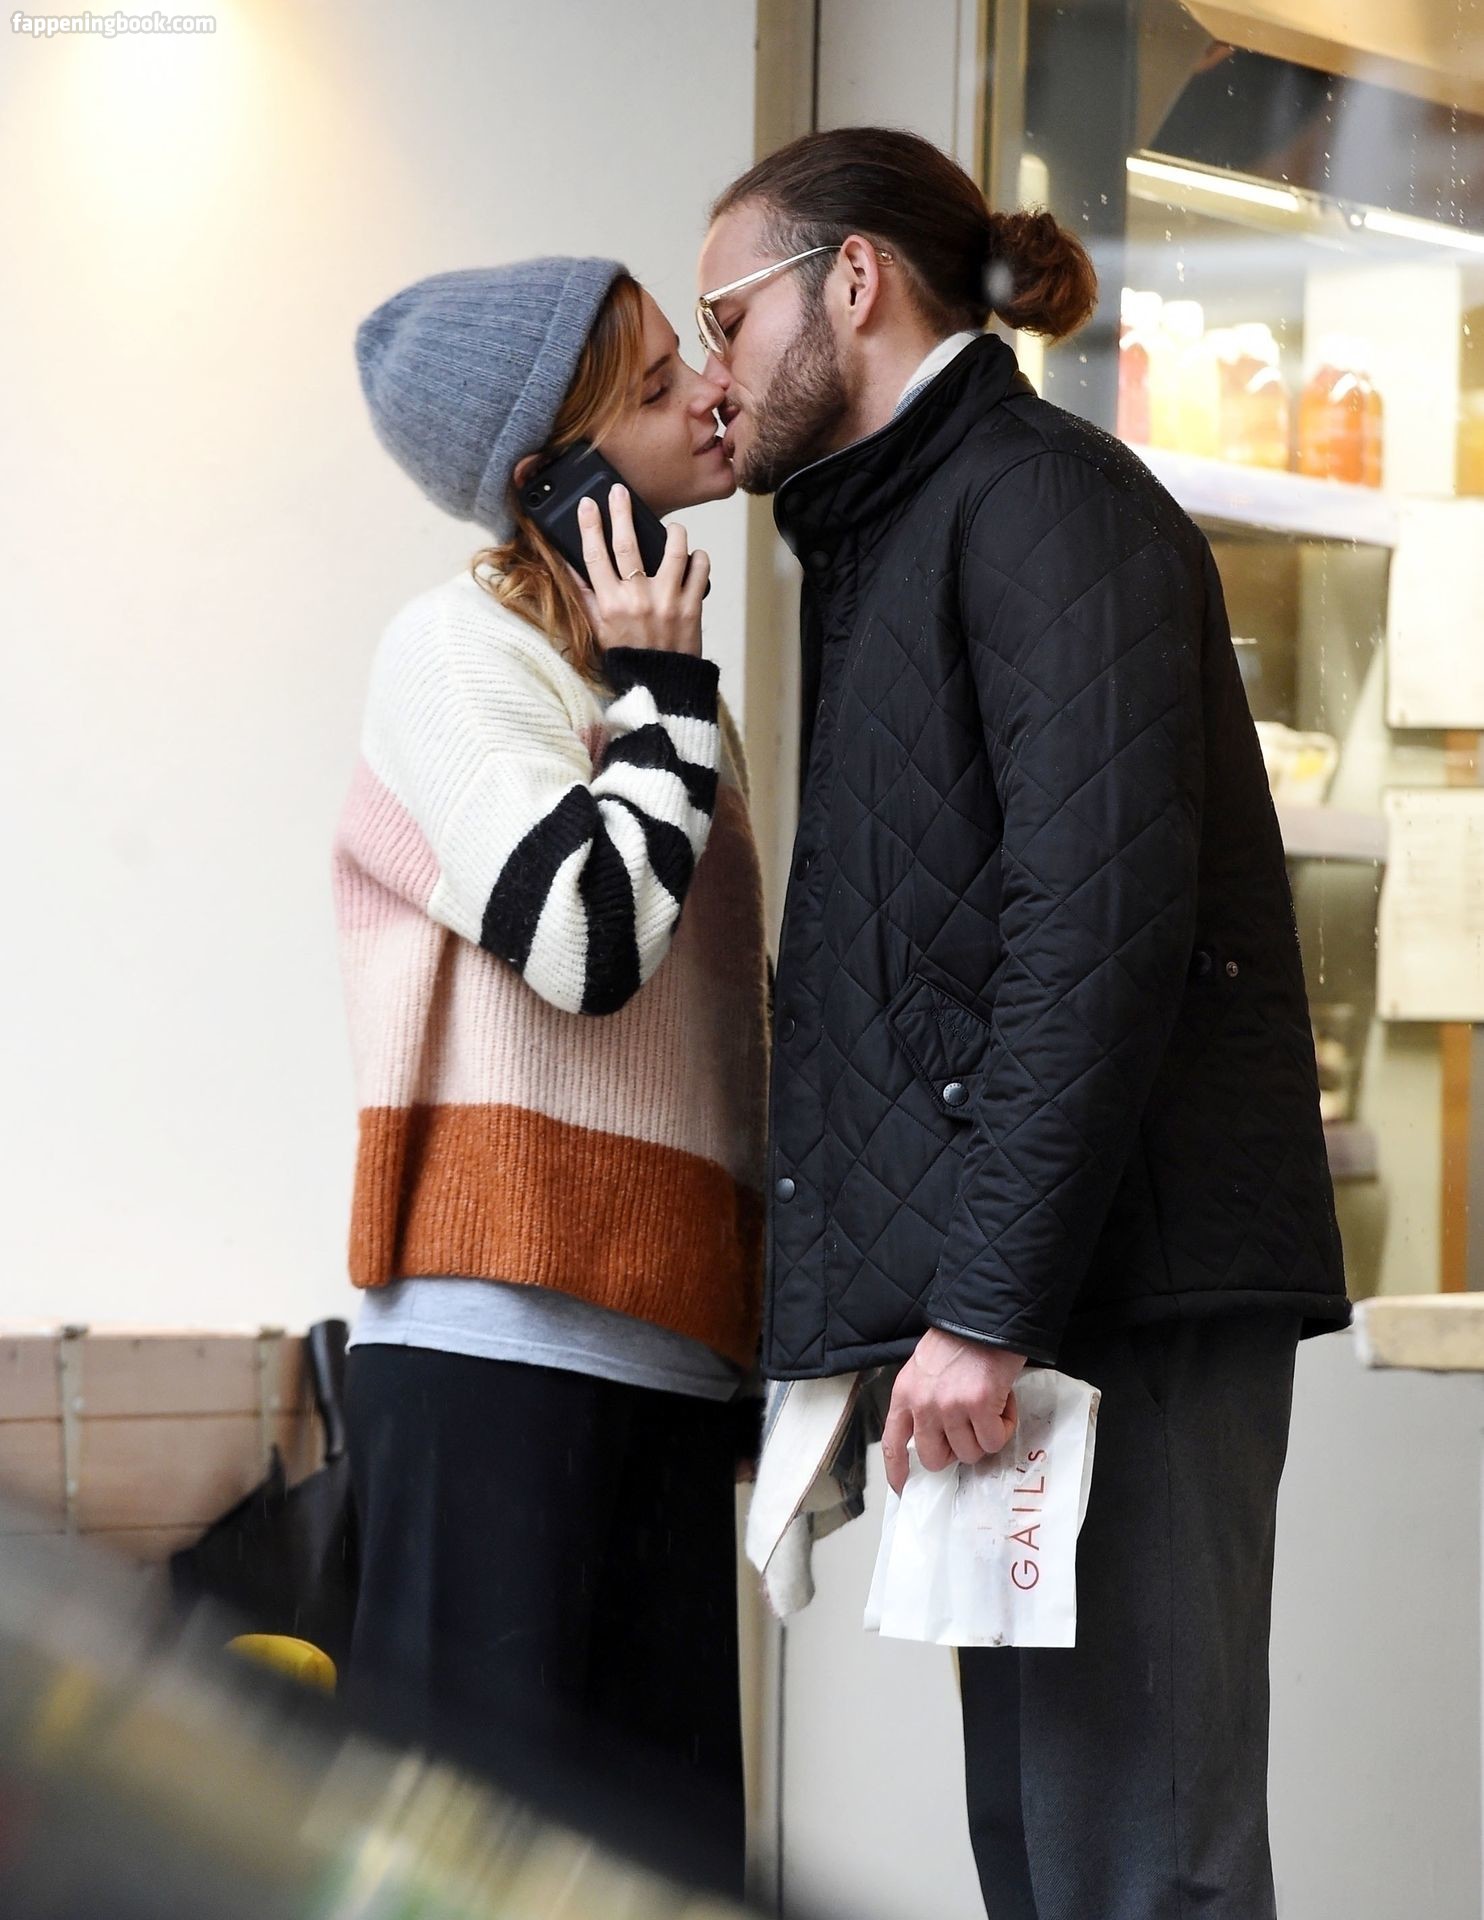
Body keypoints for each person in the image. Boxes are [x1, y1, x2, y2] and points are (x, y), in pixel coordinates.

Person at [699, 128, 1349, 1920]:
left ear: (852, 281)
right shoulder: (906, 529)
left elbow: (1096, 929)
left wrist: (982, 1307)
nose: (713, 372)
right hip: (1049, 1298)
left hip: (1109, 1299)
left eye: (725, 318)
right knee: (1051, 1857)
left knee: (1139, 1865)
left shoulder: (1043, 505)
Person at [333, 258, 768, 1894]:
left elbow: (725, 1038)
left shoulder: (637, 686)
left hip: (658, 1365)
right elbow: (584, 940)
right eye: (656, 390)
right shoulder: (456, 660)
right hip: (494, 1359)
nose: (711, 394)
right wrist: (665, 697)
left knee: (655, 1880)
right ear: (553, 482)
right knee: (464, 1882)